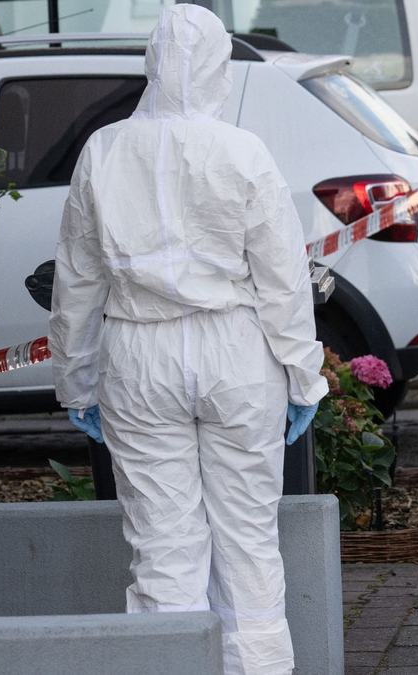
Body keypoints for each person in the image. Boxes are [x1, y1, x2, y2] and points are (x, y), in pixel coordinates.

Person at [49, 6, 328, 674]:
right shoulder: (242, 150)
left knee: (162, 548)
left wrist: (76, 381)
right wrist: (304, 377)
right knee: (249, 544)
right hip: (236, 351)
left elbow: (76, 285)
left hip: (137, 354)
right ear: (218, 68)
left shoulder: (104, 150)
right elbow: (282, 281)